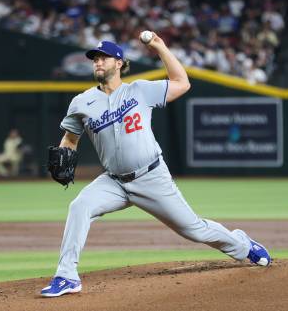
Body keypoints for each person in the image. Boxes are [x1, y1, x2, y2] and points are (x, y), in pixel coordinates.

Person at [41, 33, 271, 298]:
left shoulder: (139, 90)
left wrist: (160, 47)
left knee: (193, 229)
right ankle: (67, 276)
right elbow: (70, 138)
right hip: (113, 181)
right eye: (95, 58)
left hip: (151, 176)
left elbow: (181, 83)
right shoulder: (82, 102)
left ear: (119, 63)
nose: (98, 62)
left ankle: (242, 245)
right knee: (79, 206)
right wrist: (64, 153)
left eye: (103, 57)